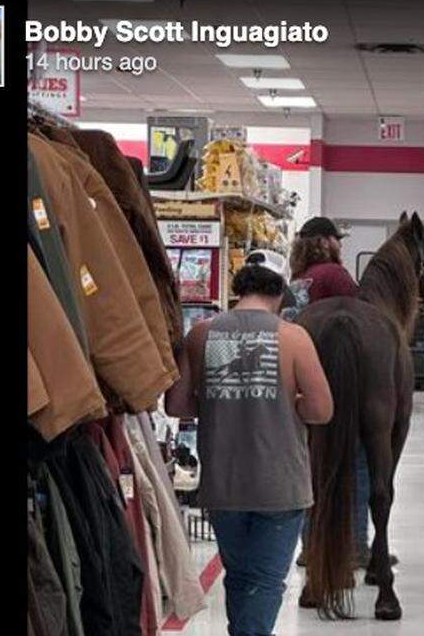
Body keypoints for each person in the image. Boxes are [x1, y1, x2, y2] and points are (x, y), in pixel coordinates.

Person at [165, 253, 332, 636]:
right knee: (266, 582)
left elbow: (176, 404)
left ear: (239, 287)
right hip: (280, 485)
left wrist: (219, 401)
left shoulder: (202, 334)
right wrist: (289, 403)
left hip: (224, 485)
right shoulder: (293, 338)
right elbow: (322, 410)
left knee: (239, 578)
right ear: (281, 292)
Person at [289, 216, 397, 572]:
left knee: (313, 465)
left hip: (306, 379)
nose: (340, 244)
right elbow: (359, 318)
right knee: (360, 459)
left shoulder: (300, 278)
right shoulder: (336, 277)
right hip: (341, 381)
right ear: (325, 241)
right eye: (337, 239)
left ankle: (310, 544)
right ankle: (357, 544)